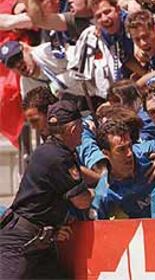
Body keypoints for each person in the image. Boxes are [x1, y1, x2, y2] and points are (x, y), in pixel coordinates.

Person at [0, 100, 92, 278]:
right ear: (73, 129)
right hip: (20, 243)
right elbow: (82, 201)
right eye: (81, 128)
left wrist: (53, 230)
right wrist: (98, 190)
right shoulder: (59, 157)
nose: (82, 133)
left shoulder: (48, 152)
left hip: (39, 241)